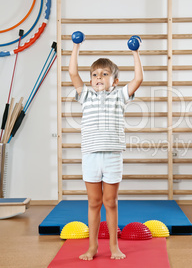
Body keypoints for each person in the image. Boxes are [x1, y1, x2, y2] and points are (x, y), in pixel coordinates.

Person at [69, 41, 143, 260]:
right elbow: (73, 72)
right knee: (94, 202)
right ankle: (92, 247)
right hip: (91, 155)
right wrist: (76, 46)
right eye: (94, 74)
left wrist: (135, 52)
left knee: (110, 202)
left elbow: (138, 79)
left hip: (112, 156)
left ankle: (113, 246)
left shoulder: (120, 96)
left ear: (115, 80)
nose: (98, 77)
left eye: (104, 74)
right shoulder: (85, 95)